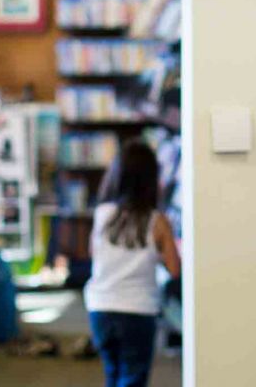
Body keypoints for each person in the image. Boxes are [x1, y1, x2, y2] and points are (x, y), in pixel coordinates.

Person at [85, 140, 182, 387]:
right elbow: (174, 268)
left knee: (113, 373)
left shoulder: (102, 214)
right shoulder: (157, 221)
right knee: (133, 377)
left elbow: (94, 254)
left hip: (100, 307)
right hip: (137, 311)